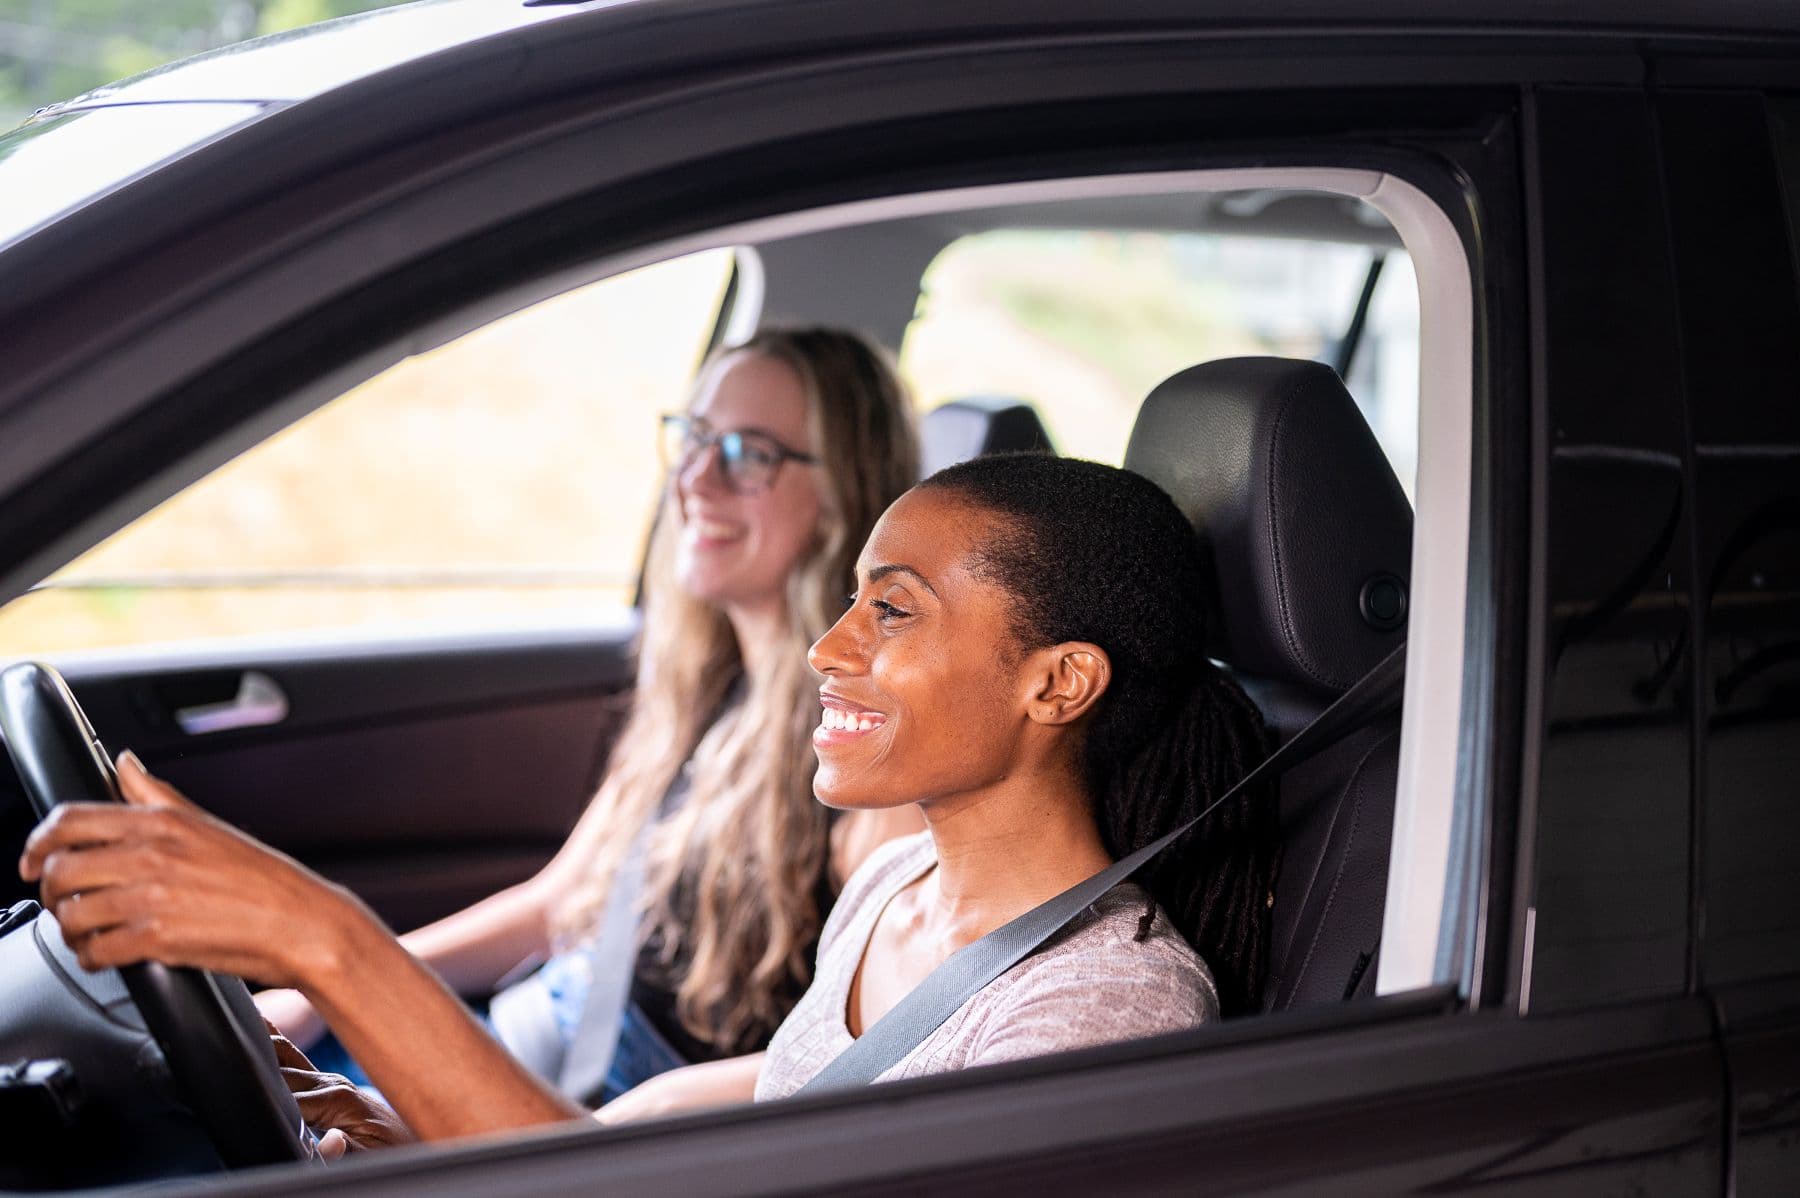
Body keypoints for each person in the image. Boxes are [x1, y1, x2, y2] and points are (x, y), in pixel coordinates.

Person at [20, 453, 1279, 1148]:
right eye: (849, 599)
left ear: (1058, 682)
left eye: (891, 608)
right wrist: (433, 1137)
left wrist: (328, 941)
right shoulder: (900, 886)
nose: (829, 648)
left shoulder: (1100, 1014)